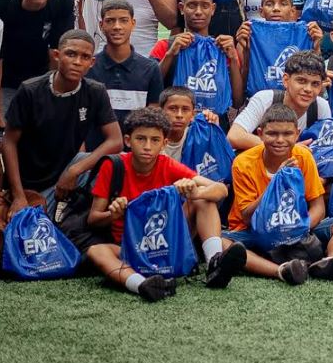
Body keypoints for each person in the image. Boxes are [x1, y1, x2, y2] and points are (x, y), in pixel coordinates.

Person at [83, 105, 243, 300]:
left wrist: (194, 192)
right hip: (132, 247)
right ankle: (142, 285)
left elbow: (221, 190)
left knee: (203, 199)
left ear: (164, 144)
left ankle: (214, 264)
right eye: (141, 139)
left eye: (155, 140)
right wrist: (112, 214)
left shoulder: (167, 164)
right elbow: (93, 219)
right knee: (96, 251)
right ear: (128, 141)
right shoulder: (113, 165)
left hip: (169, 241)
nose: (148, 146)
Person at [0, 30, 122, 209]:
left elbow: (116, 140)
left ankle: (96, 219)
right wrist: (18, 195)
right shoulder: (31, 90)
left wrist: (74, 171)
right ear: (57, 55)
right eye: (71, 54)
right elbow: (9, 142)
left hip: (69, 173)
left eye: (85, 57)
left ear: (92, 63)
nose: (77, 62)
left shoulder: (95, 91)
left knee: (113, 165)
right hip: (30, 183)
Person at [225, 103, 326, 284]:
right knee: (221, 242)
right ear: (260, 133)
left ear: (297, 133)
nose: (280, 140)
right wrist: (276, 182)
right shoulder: (243, 162)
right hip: (253, 231)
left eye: (287, 134)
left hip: (296, 228)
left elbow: (318, 207)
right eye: (272, 134)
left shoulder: (303, 156)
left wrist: (297, 229)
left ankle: (328, 263)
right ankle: (282, 270)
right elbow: (247, 217)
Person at [153, 0, 245, 111]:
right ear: (181, 8)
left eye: (205, 6)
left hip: (215, 126)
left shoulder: (223, 48)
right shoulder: (165, 46)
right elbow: (150, 87)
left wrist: (234, 60)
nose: (198, 12)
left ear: (212, 9)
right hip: (177, 125)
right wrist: (170, 54)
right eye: (192, 5)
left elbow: (238, 101)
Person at [0, 0, 78, 93]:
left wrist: (51, 93)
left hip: (41, 78)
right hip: (5, 79)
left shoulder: (62, 0)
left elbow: (57, 51)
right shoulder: (3, 2)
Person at [228, 50, 330, 151]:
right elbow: (234, 136)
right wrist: (289, 148)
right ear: (286, 80)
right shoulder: (265, 99)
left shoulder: (321, 107)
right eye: (301, 81)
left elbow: (327, 146)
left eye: (315, 84)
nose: (308, 89)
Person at [89, 0, 164, 125]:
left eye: (123, 20)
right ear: (101, 25)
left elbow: (153, 118)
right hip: (97, 144)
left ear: (133, 24)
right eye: (110, 21)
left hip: (135, 143)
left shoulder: (150, 69)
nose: (117, 26)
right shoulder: (89, 67)